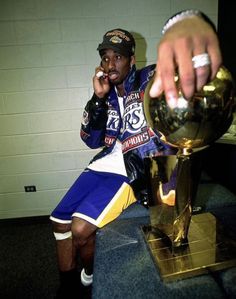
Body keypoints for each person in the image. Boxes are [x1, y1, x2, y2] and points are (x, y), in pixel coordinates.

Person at [50, 9, 222, 298]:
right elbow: (90, 140)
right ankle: (66, 288)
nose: (110, 62)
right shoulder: (103, 94)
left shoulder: (149, 79)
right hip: (102, 164)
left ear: (131, 60)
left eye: (118, 56)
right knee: (58, 220)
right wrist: (98, 99)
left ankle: (88, 277)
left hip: (131, 170)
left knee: (80, 231)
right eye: (106, 57)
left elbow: (183, 73)